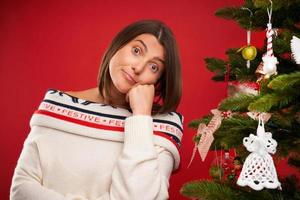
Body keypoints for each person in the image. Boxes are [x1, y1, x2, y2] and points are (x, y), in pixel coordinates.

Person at [10, 19, 183, 200]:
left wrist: (140, 117)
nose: (138, 68)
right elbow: (21, 189)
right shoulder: (56, 106)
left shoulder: (161, 127)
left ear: (158, 81)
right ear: (117, 46)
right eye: (136, 51)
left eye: (153, 67)